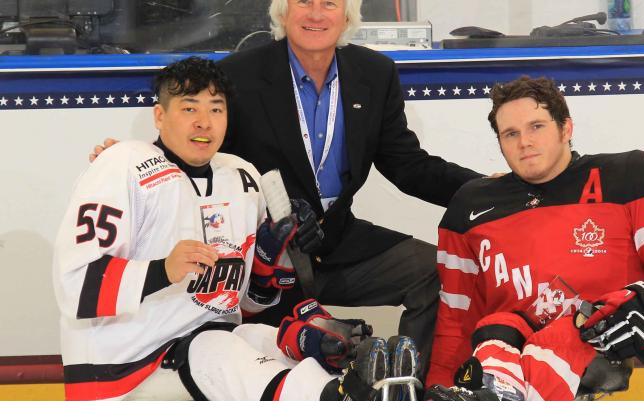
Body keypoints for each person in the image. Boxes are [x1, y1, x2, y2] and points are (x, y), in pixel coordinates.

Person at [92, 0, 482, 378]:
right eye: (303, 1)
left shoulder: (374, 72)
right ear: (283, 11)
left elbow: (407, 163)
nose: (315, 13)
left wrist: (484, 191)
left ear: (347, 15)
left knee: (435, 272)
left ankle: (408, 395)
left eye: (329, 3)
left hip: (340, 240)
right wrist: (133, 157)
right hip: (266, 254)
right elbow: (198, 148)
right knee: (301, 352)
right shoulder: (240, 73)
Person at [55, 56, 414, 401]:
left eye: (216, 109)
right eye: (188, 108)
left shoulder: (242, 177)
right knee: (218, 346)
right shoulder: (123, 164)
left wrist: (270, 256)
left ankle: (370, 399)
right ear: (159, 116)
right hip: (124, 360)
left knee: (277, 341)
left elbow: (252, 302)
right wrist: (162, 269)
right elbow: (75, 284)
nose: (203, 122)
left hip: (206, 340)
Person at [424, 76, 644, 401]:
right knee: (497, 326)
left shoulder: (633, 176)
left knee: (575, 323)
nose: (525, 142)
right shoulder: (469, 207)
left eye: (536, 127)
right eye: (510, 134)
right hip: (507, 346)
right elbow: (457, 320)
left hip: (595, 338)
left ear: (566, 128)